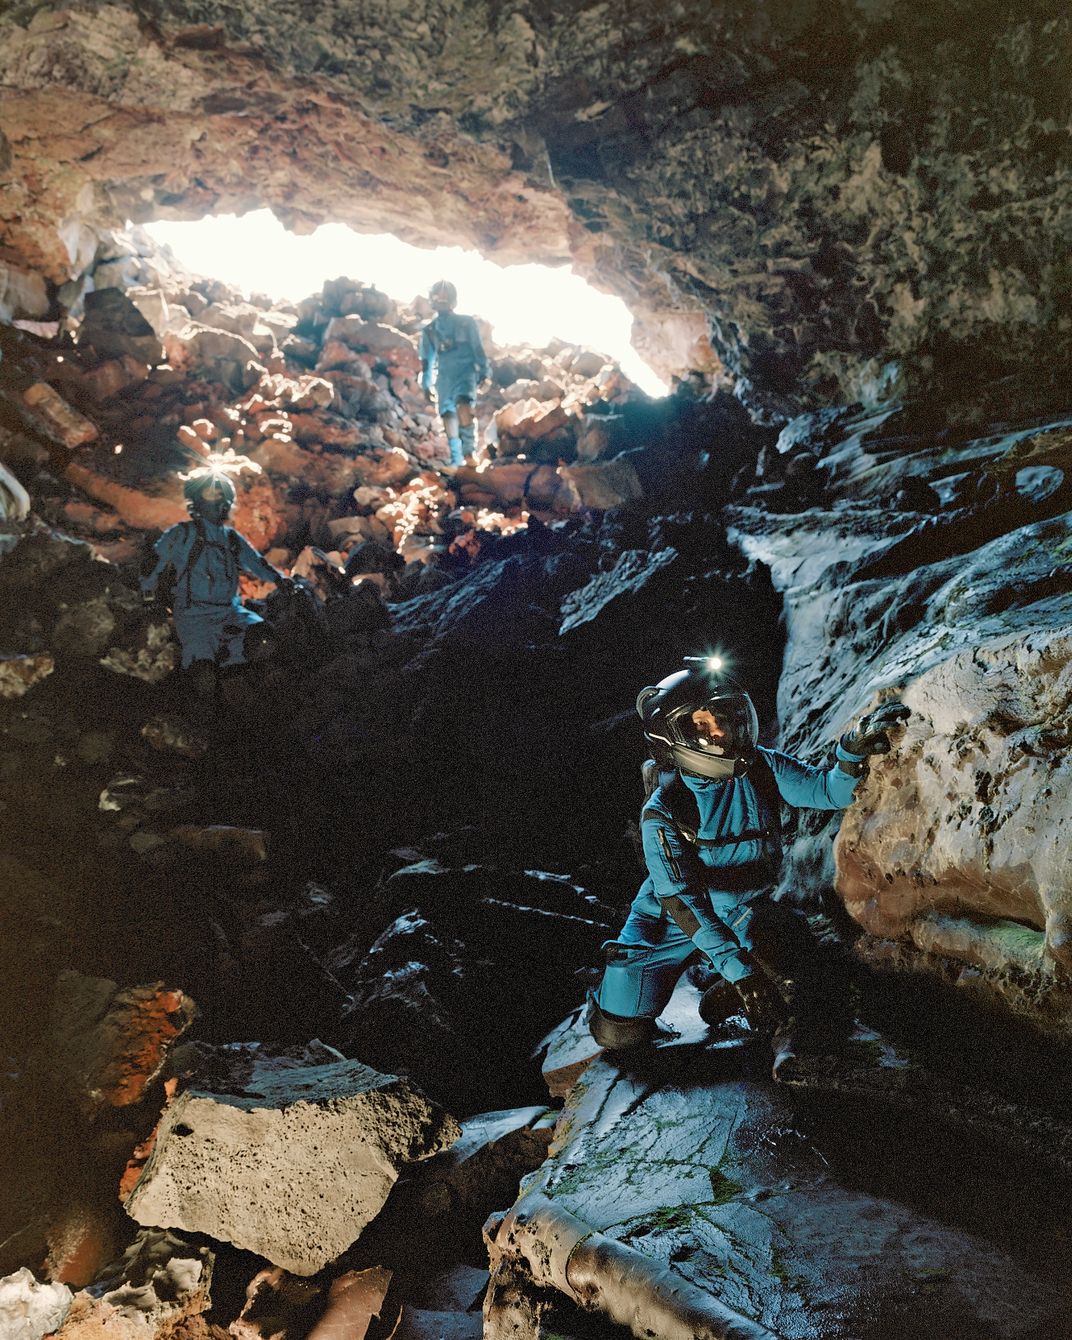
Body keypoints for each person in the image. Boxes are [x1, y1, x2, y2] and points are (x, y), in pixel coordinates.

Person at [586, 655, 909, 1073]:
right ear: (672, 740)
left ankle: (744, 1005)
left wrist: (849, 753)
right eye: (700, 726)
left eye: (723, 717)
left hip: (742, 910)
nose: (718, 731)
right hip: (669, 923)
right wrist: (742, 974)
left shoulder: (761, 768)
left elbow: (828, 791)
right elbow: (682, 902)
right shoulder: (665, 810)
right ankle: (618, 987)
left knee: (790, 956)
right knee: (619, 1035)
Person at [141, 472, 291, 681]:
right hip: (194, 615)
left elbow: (255, 562)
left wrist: (279, 580)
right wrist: (148, 596)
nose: (219, 500)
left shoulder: (230, 537)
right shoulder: (182, 534)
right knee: (202, 674)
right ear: (197, 499)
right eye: (212, 494)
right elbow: (153, 564)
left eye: (221, 495)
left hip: (230, 611)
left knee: (263, 640)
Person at [419, 280, 490, 467]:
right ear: (431, 300)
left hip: (465, 373)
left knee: (464, 406)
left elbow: (478, 348)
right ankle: (456, 460)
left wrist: (484, 372)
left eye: (445, 297)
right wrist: (426, 384)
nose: (441, 300)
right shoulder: (430, 330)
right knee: (448, 416)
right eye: (437, 297)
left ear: (453, 300)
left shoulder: (467, 323)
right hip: (444, 378)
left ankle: (468, 454)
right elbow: (427, 359)